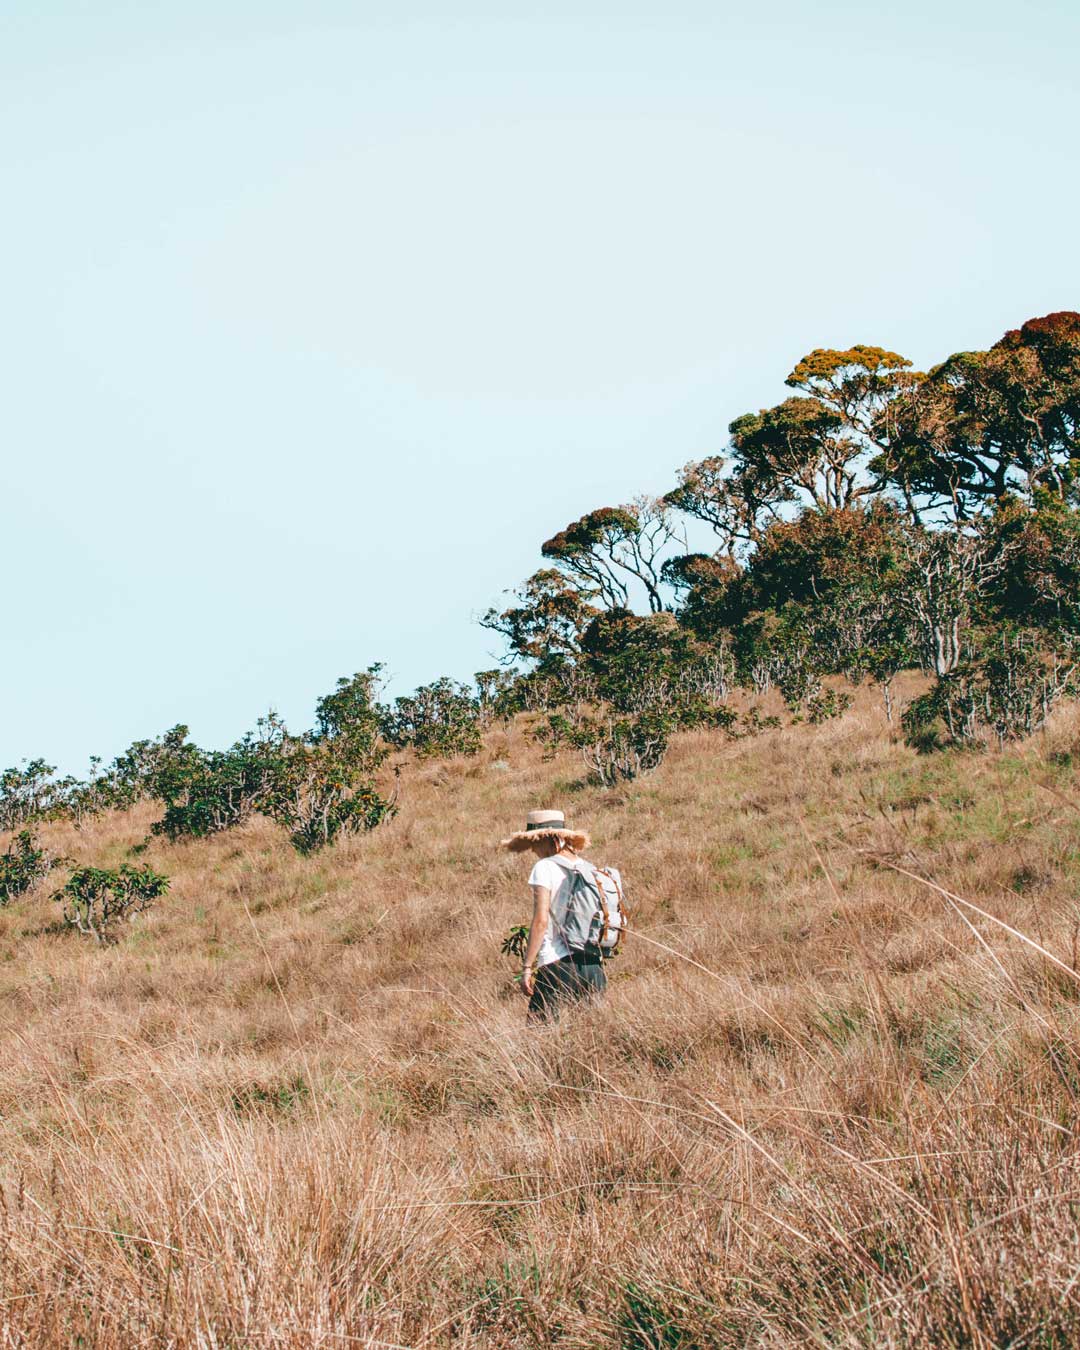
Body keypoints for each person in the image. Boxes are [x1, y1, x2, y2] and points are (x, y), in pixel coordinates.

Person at [501, 808, 619, 1021]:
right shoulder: (588, 869)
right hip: (593, 964)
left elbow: (540, 920)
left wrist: (527, 967)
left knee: (539, 1034)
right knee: (591, 1034)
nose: (533, 850)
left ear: (547, 839)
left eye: (534, 843)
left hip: (558, 963)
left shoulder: (544, 867)